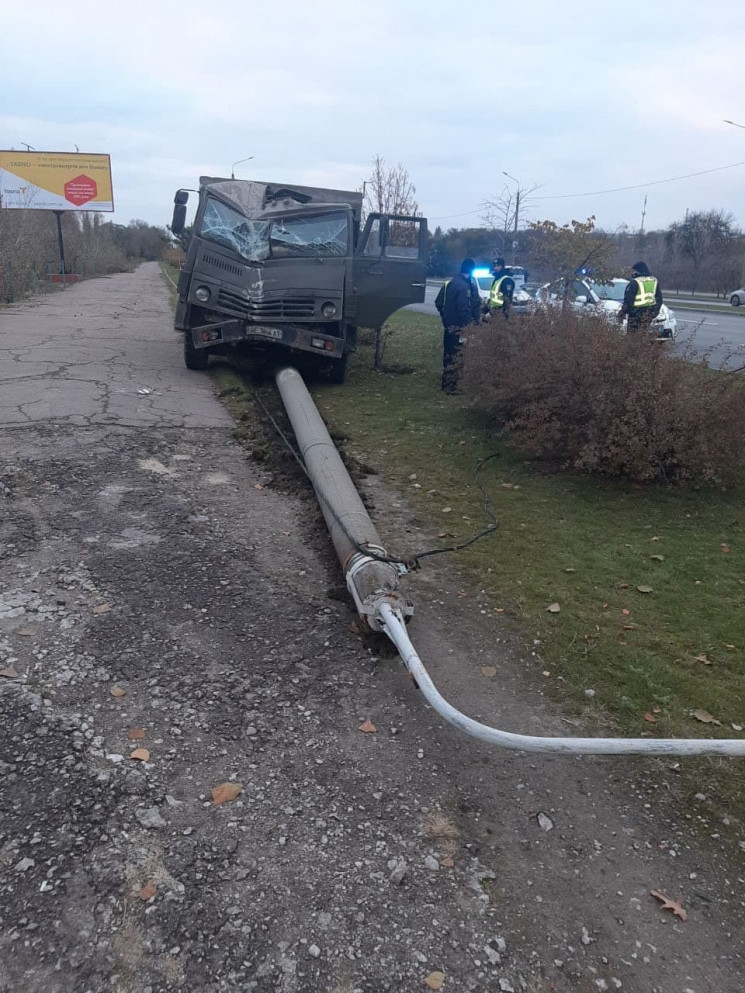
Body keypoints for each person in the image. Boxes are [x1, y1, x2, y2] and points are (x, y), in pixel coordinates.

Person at [435, 258, 481, 393]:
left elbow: (439, 302)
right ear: (471, 271)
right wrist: (470, 326)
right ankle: (450, 386)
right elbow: (464, 309)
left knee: (448, 354)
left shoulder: (450, 283)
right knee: (456, 355)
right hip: (459, 327)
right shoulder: (463, 287)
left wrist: (445, 317)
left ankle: (447, 383)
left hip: (449, 326)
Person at [620, 260, 663, 333]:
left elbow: (628, 301)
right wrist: (653, 313)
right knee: (643, 336)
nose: (633, 273)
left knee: (632, 338)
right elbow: (659, 299)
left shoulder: (635, 282)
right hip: (648, 315)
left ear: (638, 271)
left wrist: (623, 313)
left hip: (635, 316)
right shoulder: (654, 280)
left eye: (634, 271)